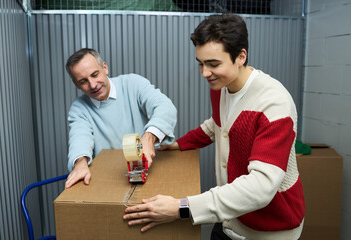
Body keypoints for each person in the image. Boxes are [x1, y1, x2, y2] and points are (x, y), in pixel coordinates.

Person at [123, 14, 305, 240]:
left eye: (213, 64)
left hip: (269, 229)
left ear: (240, 56)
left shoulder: (274, 104)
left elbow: (261, 187)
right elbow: (217, 124)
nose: (204, 73)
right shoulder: (221, 85)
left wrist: (182, 207)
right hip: (230, 218)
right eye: (200, 63)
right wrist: (180, 144)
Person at [64, 48, 177, 188]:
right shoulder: (79, 108)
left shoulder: (133, 84)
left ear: (105, 68)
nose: (93, 85)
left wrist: (149, 138)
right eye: (83, 81)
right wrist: (80, 163)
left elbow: (165, 107)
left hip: (152, 170)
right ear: (76, 84)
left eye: (95, 74)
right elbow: (79, 137)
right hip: (111, 181)